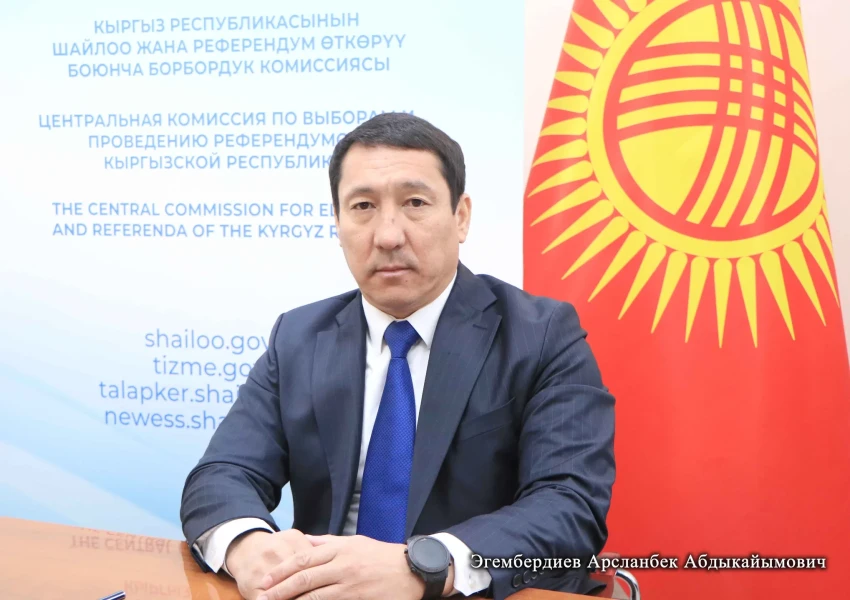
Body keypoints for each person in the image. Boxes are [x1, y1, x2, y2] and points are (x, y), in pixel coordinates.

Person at [180, 112, 616, 600]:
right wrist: (248, 545)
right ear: (337, 222)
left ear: (461, 216)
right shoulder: (299, 337)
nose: (387, 235)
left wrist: (426, 566)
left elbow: (569, 504)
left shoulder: (540, 334)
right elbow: (222, 474)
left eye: (415, 203)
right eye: (363, 206)